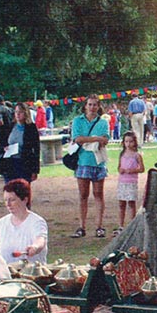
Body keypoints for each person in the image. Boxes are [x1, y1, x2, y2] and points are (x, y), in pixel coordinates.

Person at [70, 94, 110, 239]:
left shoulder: (103, 122)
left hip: (98, 161)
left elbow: (105, 139)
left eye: (95, 105)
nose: (92, 107)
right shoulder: (77, 121)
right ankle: (82, 226)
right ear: (85, 106)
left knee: (99, 194)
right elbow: (78, 139)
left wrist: (96, 140)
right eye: (90, 104)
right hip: (83, 161)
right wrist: (96, 138)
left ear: (98, 106)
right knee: (83, 195)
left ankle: (99, 226)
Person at [0, 179, 48, 264]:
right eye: (5, 200)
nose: (8, 204)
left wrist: (35, 247)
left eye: (12, 200)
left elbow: (41, 239)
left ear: (25, 199)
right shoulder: (1, 223)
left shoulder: (37, 222)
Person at [0, 102, 40, 183]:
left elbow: (36, 149)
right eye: (16, 112)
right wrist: (4, 148)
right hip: (10, 163)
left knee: (23, 190)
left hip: (24, 163)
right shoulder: (9, 127)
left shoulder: (31, 128)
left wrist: (35, 170)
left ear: (26, 113)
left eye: (20, 112)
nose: (18, 114)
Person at [114, 131, 145, 237]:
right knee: (121, 204)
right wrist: (121, 170)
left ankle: (132, 224)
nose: (128, 144)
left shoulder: (137, 155)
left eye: (130, 141)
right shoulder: (122, 154)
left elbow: (141, 169)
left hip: (131, 182)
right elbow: (118, 166)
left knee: (131, 203)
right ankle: (121, 225)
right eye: (126, 141)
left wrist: (131, 171)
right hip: (122, 181)